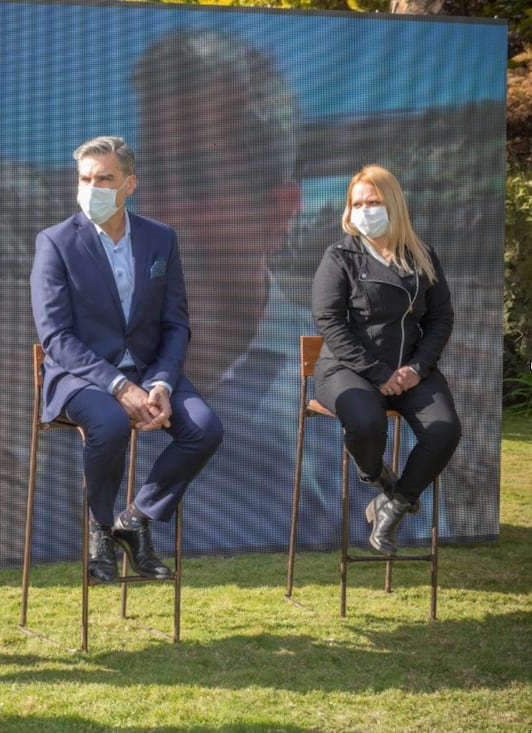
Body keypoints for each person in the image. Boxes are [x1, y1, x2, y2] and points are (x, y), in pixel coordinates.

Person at [130, 28, 347, 553]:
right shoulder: (104, 370)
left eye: (203, 180)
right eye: (155, 179)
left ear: (280, 210)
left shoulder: (331, 375)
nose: (171, 216)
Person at [29, 135, 223, 584]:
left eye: (104, 178)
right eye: (85, 178)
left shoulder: (160, 238)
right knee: (111, 424)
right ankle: (100, 531)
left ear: (129, 183)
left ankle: (133, 521)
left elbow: (176, 324)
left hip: (151, 372)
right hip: (80, 376)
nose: (92, 187)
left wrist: (160, 384)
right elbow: (55, 335)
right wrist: (119, 387)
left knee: (205, 429)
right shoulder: (55, 242)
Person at [311, 165, 462, 554]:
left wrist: (417, 367)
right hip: (349, 370)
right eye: (357, 203)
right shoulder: (340, 255)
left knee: (445, 430)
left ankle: (391, 506)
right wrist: (379, 374)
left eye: (373, 202)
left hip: (411, 371)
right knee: (365, 422)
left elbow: (441, 317)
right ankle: (376, 476)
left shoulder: (422, 255)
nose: (364, 210)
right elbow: (328, 320)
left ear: (392, 203)